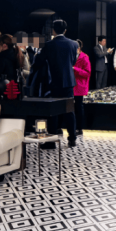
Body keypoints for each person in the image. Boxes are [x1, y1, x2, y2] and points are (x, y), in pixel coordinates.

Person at [32, 19, 79, 147]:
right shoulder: (74, 44)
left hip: (53, 81)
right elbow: (73, 62)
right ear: (65, 30)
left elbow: (39, 62)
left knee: (53, 111)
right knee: (69, 111)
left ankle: (51, 142)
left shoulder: (49, 45)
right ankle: (72, 139)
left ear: (53, 30)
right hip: (69, 81)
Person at [73, 39, 91, 137]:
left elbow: (87, 73)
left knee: (79, 107)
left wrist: (75, 69)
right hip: (70, 85)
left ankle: (79, 128)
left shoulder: (84, 57)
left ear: (79, 49)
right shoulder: (70, 56)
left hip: (79, 86)